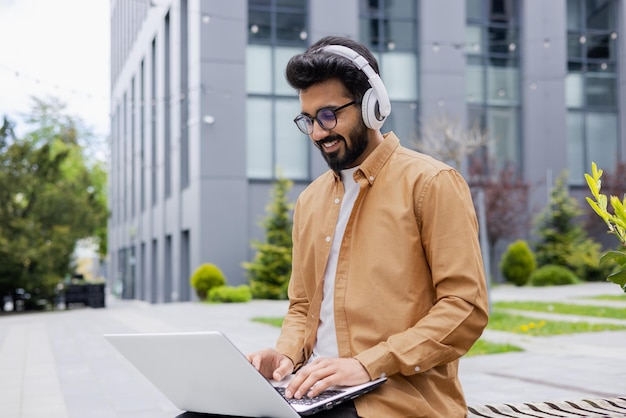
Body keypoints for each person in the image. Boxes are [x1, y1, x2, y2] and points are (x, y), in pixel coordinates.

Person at [247, 35, 489, 418]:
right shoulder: (309, 202)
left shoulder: (432, 183)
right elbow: (303, 306)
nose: (317, 133)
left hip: (396, 400)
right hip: (314, 392)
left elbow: (465, 308)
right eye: (308, 120)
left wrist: (366, 364)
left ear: (373, 107)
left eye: (328, 116)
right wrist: (285, 356)